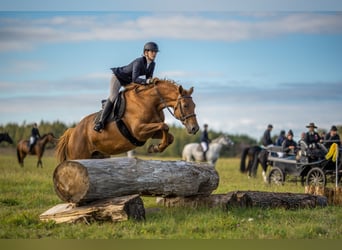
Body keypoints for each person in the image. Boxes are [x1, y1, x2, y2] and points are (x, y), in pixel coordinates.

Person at [94, 41, 159, 132]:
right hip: (118, 77)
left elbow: (149, 79)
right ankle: (100, 123)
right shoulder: (139, 61)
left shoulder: (152, 64)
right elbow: (135, 78)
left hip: (128, 80)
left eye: (155, 52)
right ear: (145, 53)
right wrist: (147, 81)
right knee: (113, 97)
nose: (154, 54)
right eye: (152, 51)